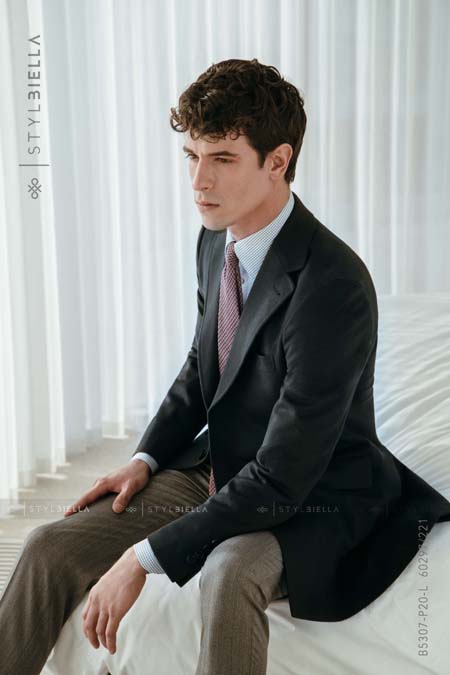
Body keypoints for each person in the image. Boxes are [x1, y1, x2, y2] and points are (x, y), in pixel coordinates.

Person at [1, 57, 449, 675]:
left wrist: (142, 558)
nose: (198, 181)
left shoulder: (334, 286)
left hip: (312, 493)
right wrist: (146, 457)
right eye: (191, 155)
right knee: (48, 545)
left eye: (222, 158)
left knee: (228, 571)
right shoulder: (217, 238)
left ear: (278, 161)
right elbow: (202, 363)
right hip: (221, 466)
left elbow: (283, 477)